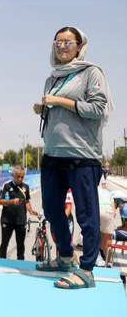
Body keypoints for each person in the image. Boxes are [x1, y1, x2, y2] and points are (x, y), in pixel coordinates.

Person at [32, 26, 112, 289]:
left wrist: (59, 101)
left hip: (82, 156)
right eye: (58, 42)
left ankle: (87, 270)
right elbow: (56, 109)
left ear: (80, 46)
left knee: (87, 215)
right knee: (52, 210)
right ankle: (65, 257)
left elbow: (97, 108)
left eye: (68, 42)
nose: (62, 47)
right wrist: (43, 108)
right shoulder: (52, 78)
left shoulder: (91, 72)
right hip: (52, 154)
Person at [0, 166, 38, 260]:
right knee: (4, 243)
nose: (20, 179)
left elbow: (27, 201)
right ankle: (2, 263)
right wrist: (12, 201)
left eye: (22, 177)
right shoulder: (6, 186)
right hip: (7, 220)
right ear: (13, 175)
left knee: (20, 245)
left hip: (21, 221)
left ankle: (20, 264)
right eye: (18, 176)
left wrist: (30, 210)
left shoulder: (25, 187)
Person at [98, 180, 115, 264]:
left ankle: (97, 257)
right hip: (108, 212)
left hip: (98, 211)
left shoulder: (94, 190)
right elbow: (114, 211)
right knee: (108, 240)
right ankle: (108, 261)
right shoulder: (109, 193)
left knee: (96, 236)